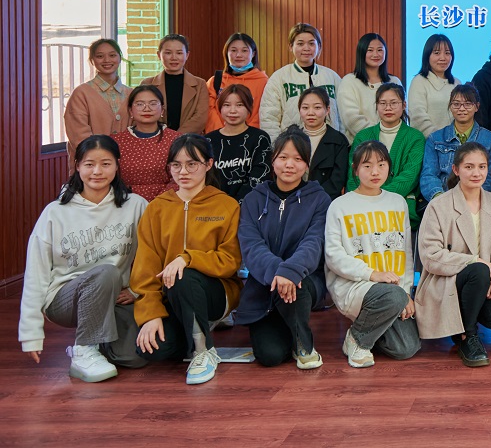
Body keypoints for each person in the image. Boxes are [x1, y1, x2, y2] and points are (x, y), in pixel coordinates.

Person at [20, 135, 148, 382]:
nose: (97, 171)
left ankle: (99, 343)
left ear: (117, 166)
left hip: (114, 296)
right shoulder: (55, 212)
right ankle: (83, 350)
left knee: (135, 357)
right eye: (89, 164)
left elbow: (154, 253)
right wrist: (31, 332)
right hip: (64, 300)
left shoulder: (136, 205)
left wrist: (136, 289)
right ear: (77, 166)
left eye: (106, 164)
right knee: (106, 271)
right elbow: (36, 273)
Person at [131, 134, 241, 385]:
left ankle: (204, 351)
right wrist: (151, 314)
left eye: (192, 164)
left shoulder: (226, 205)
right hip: (171, 297)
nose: (183, 172)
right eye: (176, 165)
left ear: (209, 164)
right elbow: (145, 268)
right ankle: (191, 331)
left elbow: (230, 260)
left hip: (216, 293)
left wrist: (187, 259)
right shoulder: (156, 208)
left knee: (184, 276)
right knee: (154, 350)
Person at [416, 143, 491, 367]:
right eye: (469, 167)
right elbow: (430, 255)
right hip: (448, 280)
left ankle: (464, 317)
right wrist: (474, 261)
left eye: (482, 166)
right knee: (478, 269)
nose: (476, 173)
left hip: (485, 280)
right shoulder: (439, 206)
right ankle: (467, 336)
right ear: (456, 169)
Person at [235, 128, 329, 369]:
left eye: (298, 159)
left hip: (305, 279)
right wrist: (279, 271)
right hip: (264, 284)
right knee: (270, 356)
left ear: (306, 164)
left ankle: (303, 344)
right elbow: (251, 245)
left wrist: (290, 271)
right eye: (283, 157)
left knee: (297, 285)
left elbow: (314, 242)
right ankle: (287, 330)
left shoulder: (319, 199)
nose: (289, 165)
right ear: (273, 160)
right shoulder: (254, 199)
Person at [325, 141, 420, 367]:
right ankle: (357, 339)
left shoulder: (397, 203)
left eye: (381, 164)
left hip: (392, 291)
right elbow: (333, 256)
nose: (375, 172)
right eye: (367, 166)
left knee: (406, 348)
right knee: (393, 297)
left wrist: (406, 292)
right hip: (354, 285)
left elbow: (406, 254)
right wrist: (372, 274)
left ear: (389, 167)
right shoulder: (340, 205)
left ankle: (369, 328)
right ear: (355, 169)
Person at [347, 83, 425, 228]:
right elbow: (353, 176)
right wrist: (362, 199)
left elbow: (410, 177)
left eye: (394, 103)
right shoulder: (363, 136)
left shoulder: (416, 137)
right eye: (382, 103)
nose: (388, 108)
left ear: (404, 105)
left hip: (400, 209)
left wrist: (376, 197)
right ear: (377, 106)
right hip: (362, 209)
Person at [261, 22, 342, 140]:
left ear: (319, 46)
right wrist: (278, 146)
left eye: (311, 43)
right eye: (300, 44)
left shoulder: (332, 77)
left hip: (330, 144)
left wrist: (342, 142)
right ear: (291, 46)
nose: (306, 48)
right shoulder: (279, 78)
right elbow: (268, 118)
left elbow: (342, 116)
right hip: (292, 145)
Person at [420, 84, 491, 202]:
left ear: (477, 107)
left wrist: (470, 199)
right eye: (456, 104)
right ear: (450, 106)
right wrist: (440, 199)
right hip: (443, 201)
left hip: (477, 201)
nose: (461, 108)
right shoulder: (435, 139)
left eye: (467, 104)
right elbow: (428, 175)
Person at [64, 38, 131, 158]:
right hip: (93, 162)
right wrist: (101, 159)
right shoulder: (81, 93)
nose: (107, 60)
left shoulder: (131, 93)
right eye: (100, 56)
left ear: (120, 58)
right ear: (92, 60)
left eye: (112, 55)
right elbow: (78, 135)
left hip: (128, 162)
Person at [205, 85, 272, 201]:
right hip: (215, 204)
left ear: (249, 107)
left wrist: (236, 204)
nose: (233, 111)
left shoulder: (260, 138)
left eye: (239, 105)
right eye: (227, 105)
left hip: (250, 204)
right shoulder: (208, 141)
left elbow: (260, 177)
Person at [114, 86, 180, 201]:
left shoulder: (177, 139)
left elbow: (181, 177)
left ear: (162, 110)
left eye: (153, 104)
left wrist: (158, 202)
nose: (147, 109)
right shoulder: (116, 141)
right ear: (130, 111)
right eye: (140, 104)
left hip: (168, 202)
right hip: (124, 201)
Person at [338, 33, 403, 140]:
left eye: (380, 50)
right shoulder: (349, 81)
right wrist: (379, 138)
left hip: (394, 143)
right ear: (362, 52)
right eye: (370, 50)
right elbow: (351, 119)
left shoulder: (394, 81)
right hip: (361, 145)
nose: (376, 54)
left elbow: (402, 114)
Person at [140, 34, 207, 135]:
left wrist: (175, 138)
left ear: (187, 55)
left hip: (188, 140)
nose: (174, 58)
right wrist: (163, 138)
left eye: (179, 53)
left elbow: (200, 117)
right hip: (154, 139)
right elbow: (142, 114)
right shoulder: (147, 84)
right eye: (168, 53)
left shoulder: (200, 84)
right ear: (159, 55)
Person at [205, 33, 270, 132]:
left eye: (244, 50)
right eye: (233, 50)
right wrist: (222, 133)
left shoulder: (264, 82)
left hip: (251, 137)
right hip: (218, 136)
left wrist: (246, 134)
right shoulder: (215, 80)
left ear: (253, 54)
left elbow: (263, 113)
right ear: (226, 53)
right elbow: (208, 109)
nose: (239, 55)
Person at [296, 87, 349, 200]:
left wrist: (314, 199)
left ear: (327, 110)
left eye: (317, 107)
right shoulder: (291, 138)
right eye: (305, 108)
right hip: (293, 199)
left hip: (324, 201)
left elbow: (337, 181)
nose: (310, 113)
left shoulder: (338, 141)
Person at [408, 33, 461, 137]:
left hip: (456, 143)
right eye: (437, 53)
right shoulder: (419, 81)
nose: (443, 58)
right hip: (429, 142)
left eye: (447, 53)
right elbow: (417, 117)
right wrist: (440, 139)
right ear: (427, 55)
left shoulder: (457, 83)